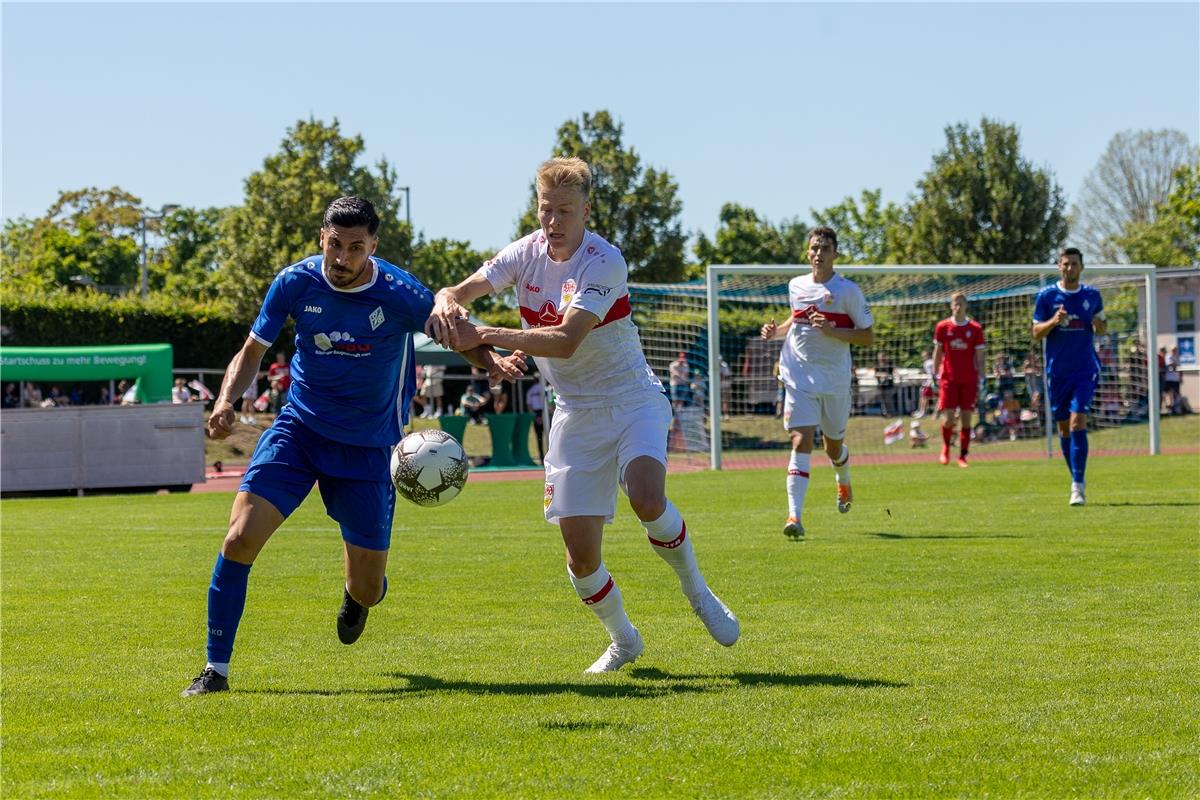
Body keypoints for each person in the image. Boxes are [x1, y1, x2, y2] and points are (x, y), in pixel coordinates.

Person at [183, 196, 522, 696]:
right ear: (323, 237)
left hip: (367, 450)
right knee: (238, 539)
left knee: (369, 588)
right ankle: (216, 670)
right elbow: (252, 349)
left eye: (355, 248)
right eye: (335, 245)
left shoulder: (400, 292)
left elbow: (456, 333)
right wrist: (226, 399)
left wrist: (490, 362)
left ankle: (356, 596)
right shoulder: (295, 282)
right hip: (298, 432)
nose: (342, 259)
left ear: (373, 246)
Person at [425, 157, 738, 673]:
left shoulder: (603, 260)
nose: (553, 222)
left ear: (587, 211)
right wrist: (446, 301)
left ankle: (698, 592)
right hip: (572, 413)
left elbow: (567, 340)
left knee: (645, 495)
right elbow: (460, 292)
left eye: (565, 211)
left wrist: (485, 334)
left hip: (632, 398)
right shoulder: (524, 253)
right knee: (580, 557)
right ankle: (624, 639)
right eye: (546, 210)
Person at [760, 226, 875, 539]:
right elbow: (794, 322)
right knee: (801, 439)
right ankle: (794, 516)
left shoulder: (848, 291)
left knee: (833, 446)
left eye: (825, 248)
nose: (818, 254)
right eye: (814, 248)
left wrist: (834, 331)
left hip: (835, 380)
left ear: (835, 254)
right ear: (807, 253)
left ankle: (843, 477)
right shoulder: (795, 285)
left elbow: (868, 335)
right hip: (797, 374)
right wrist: (776, 332)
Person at [1032, 247, 1107, 506]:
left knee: (1077, 422)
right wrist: (1054, 321)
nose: (1069, 268)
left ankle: (1078, 485)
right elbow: (1036, 332)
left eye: (1074, 264)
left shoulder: (1092, 295)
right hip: (1058, 373)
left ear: (1081, 267)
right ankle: (1075, 476)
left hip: (1085, 370)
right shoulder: (1046, 296)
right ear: (1059, 266)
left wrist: (1099, 326)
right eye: (1065, 264)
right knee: (1064, 427)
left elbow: (1102, 325)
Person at [932, 291, 986, 467]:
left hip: (969, 379)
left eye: (961, 303)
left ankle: (963, 456)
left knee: (966, 418)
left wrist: (982, 378)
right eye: (955, 303)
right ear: (951, 305)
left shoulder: (975, 329)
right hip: (949, 379)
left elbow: (980, 356)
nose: (958, 306)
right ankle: (946, 448)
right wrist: (934, 373)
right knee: (948, 418)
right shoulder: (942, 327)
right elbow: (938, 352)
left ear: (966, 305)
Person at [526, 375, 547, 463]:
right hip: (543, 413)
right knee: (550, 437)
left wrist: (535, 416)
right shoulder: (545, 389)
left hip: (538, 413)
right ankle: (546, 457)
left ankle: (542, 458)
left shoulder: (530, 391)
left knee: (540, 438)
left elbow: (529, 405)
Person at [913, 349, 935, 419]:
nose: (923, 357)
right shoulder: (929, 362)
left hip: (931, 383)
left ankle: (922, 412)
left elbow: (932, 373)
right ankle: (921, 411)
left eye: (925, 355)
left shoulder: (928, 362)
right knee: (923, 395)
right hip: (930, 382)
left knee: (925, 397)